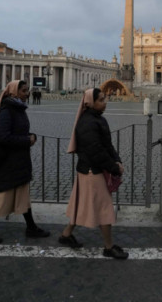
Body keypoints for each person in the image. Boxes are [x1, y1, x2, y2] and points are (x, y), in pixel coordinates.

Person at [59, 88, 128, 259]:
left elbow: (107, 145)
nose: (105, 102)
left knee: (81, 204)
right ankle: (108, 247)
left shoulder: (98, 119)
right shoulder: (88, 123)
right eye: (102, 100)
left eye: (105, 99)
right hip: (92, 171)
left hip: (89, 170)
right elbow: (96, 151)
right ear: (91, 102)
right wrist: (114, 167)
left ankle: (66, 235)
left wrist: (117, 160)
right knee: (105, 208)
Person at [0, 80, 49, 243]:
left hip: (18, 161)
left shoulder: (18, 109)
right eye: (24, 91)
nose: (27, 93)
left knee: (23, 195)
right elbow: (3, 137)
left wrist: (30, 136)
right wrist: (26, 140)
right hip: (8, 162)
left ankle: (31, 227)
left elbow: (17, 131)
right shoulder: (7, 111)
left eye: (27, 90)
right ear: (13, 93)